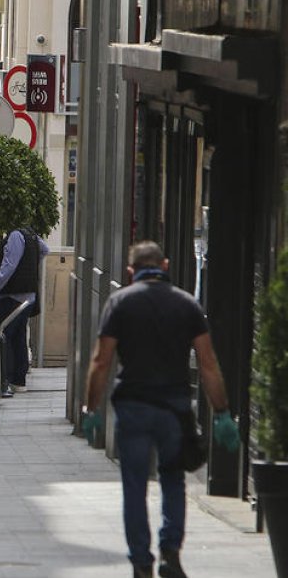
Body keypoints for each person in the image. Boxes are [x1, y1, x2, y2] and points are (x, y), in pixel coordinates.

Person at [82, 241, 240, 578]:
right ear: (165, 265)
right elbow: (209, 364)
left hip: (134, 407)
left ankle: (141, 561)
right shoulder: (187, 305)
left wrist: (91, 407)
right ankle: (170, 553)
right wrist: (222, 412)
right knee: (173, 481)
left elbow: (100, 361)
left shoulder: (120, 303)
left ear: (130, 271)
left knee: (134, 485)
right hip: (174, 409)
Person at [0, 226, 49, 396]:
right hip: (28, 296)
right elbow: (45, 250)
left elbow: (9, 265)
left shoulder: (15, 236)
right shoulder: (32, 236)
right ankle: (18, 381)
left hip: (13, 296)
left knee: (4, 336)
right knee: (19, 336)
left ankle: (4, 381)